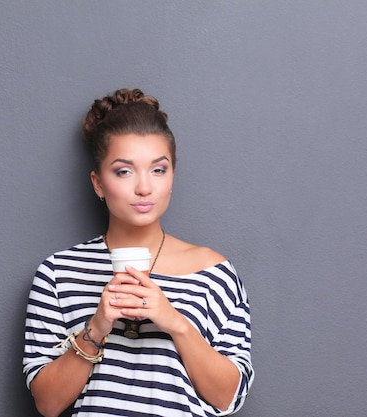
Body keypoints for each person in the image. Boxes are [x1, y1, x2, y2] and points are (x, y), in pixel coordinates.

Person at [23, 88, 253, 417]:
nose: (144, 187)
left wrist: (174, 322)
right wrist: (96, 327)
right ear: (98, 183)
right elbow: (47, 404)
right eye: (124, 171)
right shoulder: (58, 274)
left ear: (173, 176)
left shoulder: (215, 274)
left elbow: (229, 397)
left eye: (158, 169)